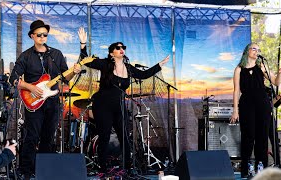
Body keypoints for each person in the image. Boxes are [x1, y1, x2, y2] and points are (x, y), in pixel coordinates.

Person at [78, 27, 170, 177]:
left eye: (123, 47)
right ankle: (103, 169)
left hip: (119, 106)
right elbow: (85, 61)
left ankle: (128, 167)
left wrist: (159, 65)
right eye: (118, 47)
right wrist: (83, 44)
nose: (121, 49)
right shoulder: (105, 64)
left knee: (124, 137)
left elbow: (144, 74)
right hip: (102, 106)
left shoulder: (128, 67)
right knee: (104, 136)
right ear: (111, 53)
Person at [9, 20, 82, 179]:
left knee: (48, 137)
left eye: (45, 34)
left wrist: (74, 72)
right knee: (32, 136)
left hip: (52, 101)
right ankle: (26, 171)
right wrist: (31, 87)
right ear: (32, 36)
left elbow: (65, 77)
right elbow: (14, 78)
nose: (43, 37)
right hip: (33, 101)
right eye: (39, 34)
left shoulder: (56, 54)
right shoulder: (26, 56)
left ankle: (44, 170)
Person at [230, 42, 281, 178]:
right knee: (248, 136)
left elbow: (276, 82)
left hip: (263, 104)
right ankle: (245, 169)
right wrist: (235, 110)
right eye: (254, 49)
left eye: (258, 49)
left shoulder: (262, 66)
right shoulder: (239, 69)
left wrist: (279, 74)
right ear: (247, 51)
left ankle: (261, 168)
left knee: (262, 138)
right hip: (246, 105)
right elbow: (236, 90)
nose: (257, 52)